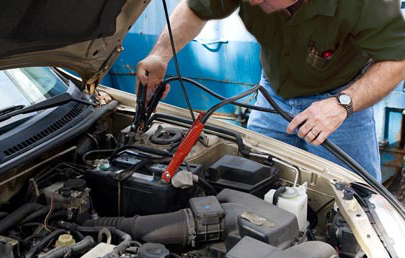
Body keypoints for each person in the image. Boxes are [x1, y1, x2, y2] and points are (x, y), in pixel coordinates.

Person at [136, 0, 405, 181]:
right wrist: (161, 55)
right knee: (251, 180)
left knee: (355, 199)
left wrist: (343, 104)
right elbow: (196, 8)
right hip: (273, 95)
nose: (250, 2)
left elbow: (398, 58)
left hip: (341, 103)